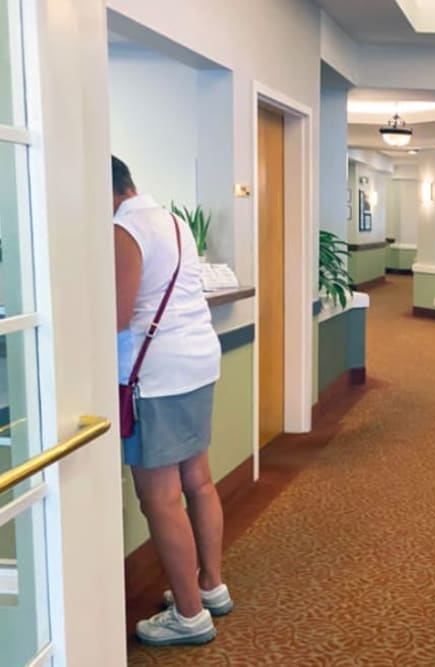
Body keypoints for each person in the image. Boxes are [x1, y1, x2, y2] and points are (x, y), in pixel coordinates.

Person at [113, 156, 231, 646]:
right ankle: (211, 586)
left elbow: (116, 315)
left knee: (159, 497)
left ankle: (188, 615)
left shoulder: (124, 228)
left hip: (156, 375)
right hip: (198, 360)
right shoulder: (174, 220)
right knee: (198, 482)